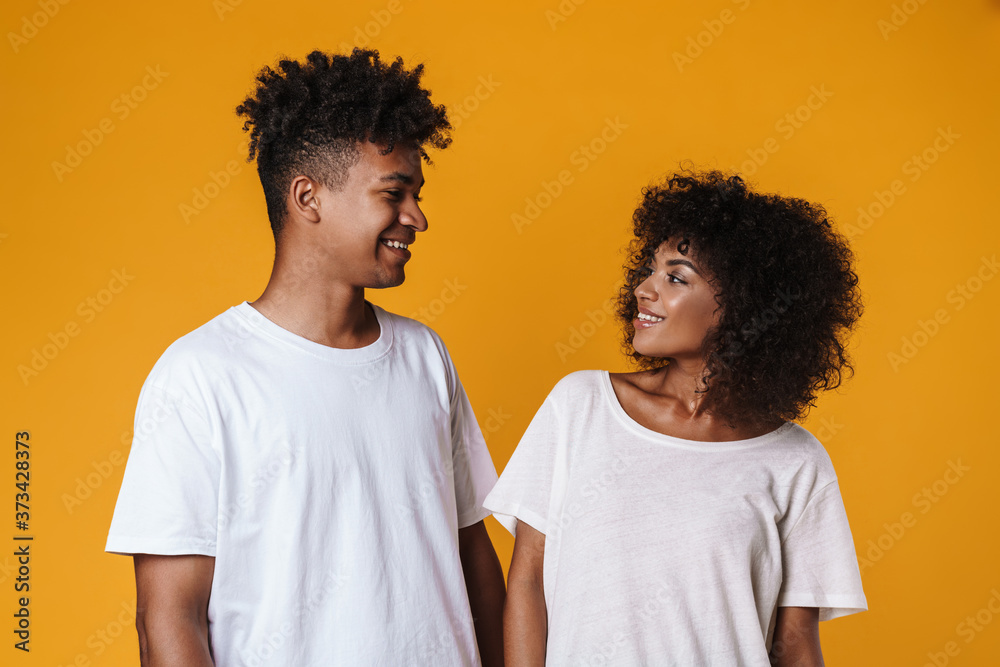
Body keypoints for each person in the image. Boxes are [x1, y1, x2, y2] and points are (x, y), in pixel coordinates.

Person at [106, 48, 505, 666]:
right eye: (393, 193)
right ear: (307, 197)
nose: (417, 217)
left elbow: (473, 558)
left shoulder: (426, 357)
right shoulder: (201, 376)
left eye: (417, 194)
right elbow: (168, 619)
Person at [485, 169, 868, 666]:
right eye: (650, 270)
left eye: (675, 277)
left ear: (740, 306)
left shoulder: (796, 462)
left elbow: (794, 646)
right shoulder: (580, 405)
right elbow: (528, 580)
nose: (644, 289)